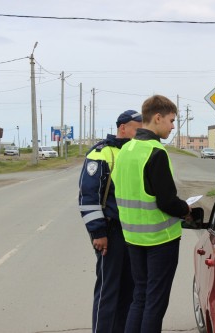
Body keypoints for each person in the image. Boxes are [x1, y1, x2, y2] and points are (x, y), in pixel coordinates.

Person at [113, 95, 192, 333]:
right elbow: (167, 201)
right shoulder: (156, 152)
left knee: (140, 297)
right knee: (155, 304)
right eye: (171, 120)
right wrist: (186, 209)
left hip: (133, 238)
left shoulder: (126, 150)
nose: (172, 126)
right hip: (161, 240)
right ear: (157, 118)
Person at [78, 109, 142, 333]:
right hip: (111, 232)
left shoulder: (137, 152)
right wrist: (98, 233)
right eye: (137, 127)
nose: (140, 131)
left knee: (131, 289)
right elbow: (88, 197)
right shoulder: (101, 153)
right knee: (108, 290)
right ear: (122, 128)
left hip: (134, 233)